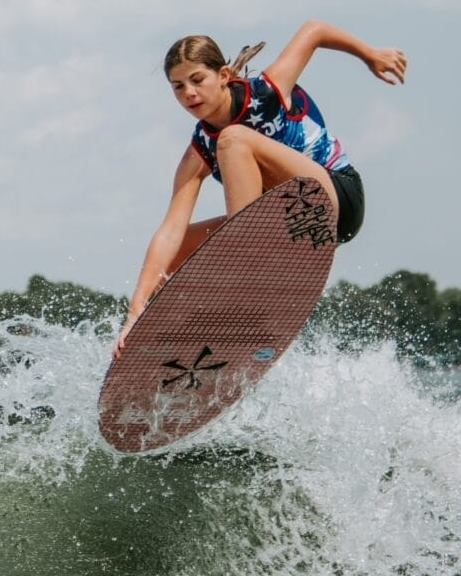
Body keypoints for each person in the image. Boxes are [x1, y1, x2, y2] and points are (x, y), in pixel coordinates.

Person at [114, 19, 406, 355]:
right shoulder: (199, 150)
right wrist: (136, 310)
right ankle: (184, 336)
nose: (188, 93)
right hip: (284, 226)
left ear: (223, 76)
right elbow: (170, 230)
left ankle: (247, 277)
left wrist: (370, 55)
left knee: (233, 139)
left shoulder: (266, 92)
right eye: (178, 87)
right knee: (177, 251)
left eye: (197, 80)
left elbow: (315, 30)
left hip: (336, 197)